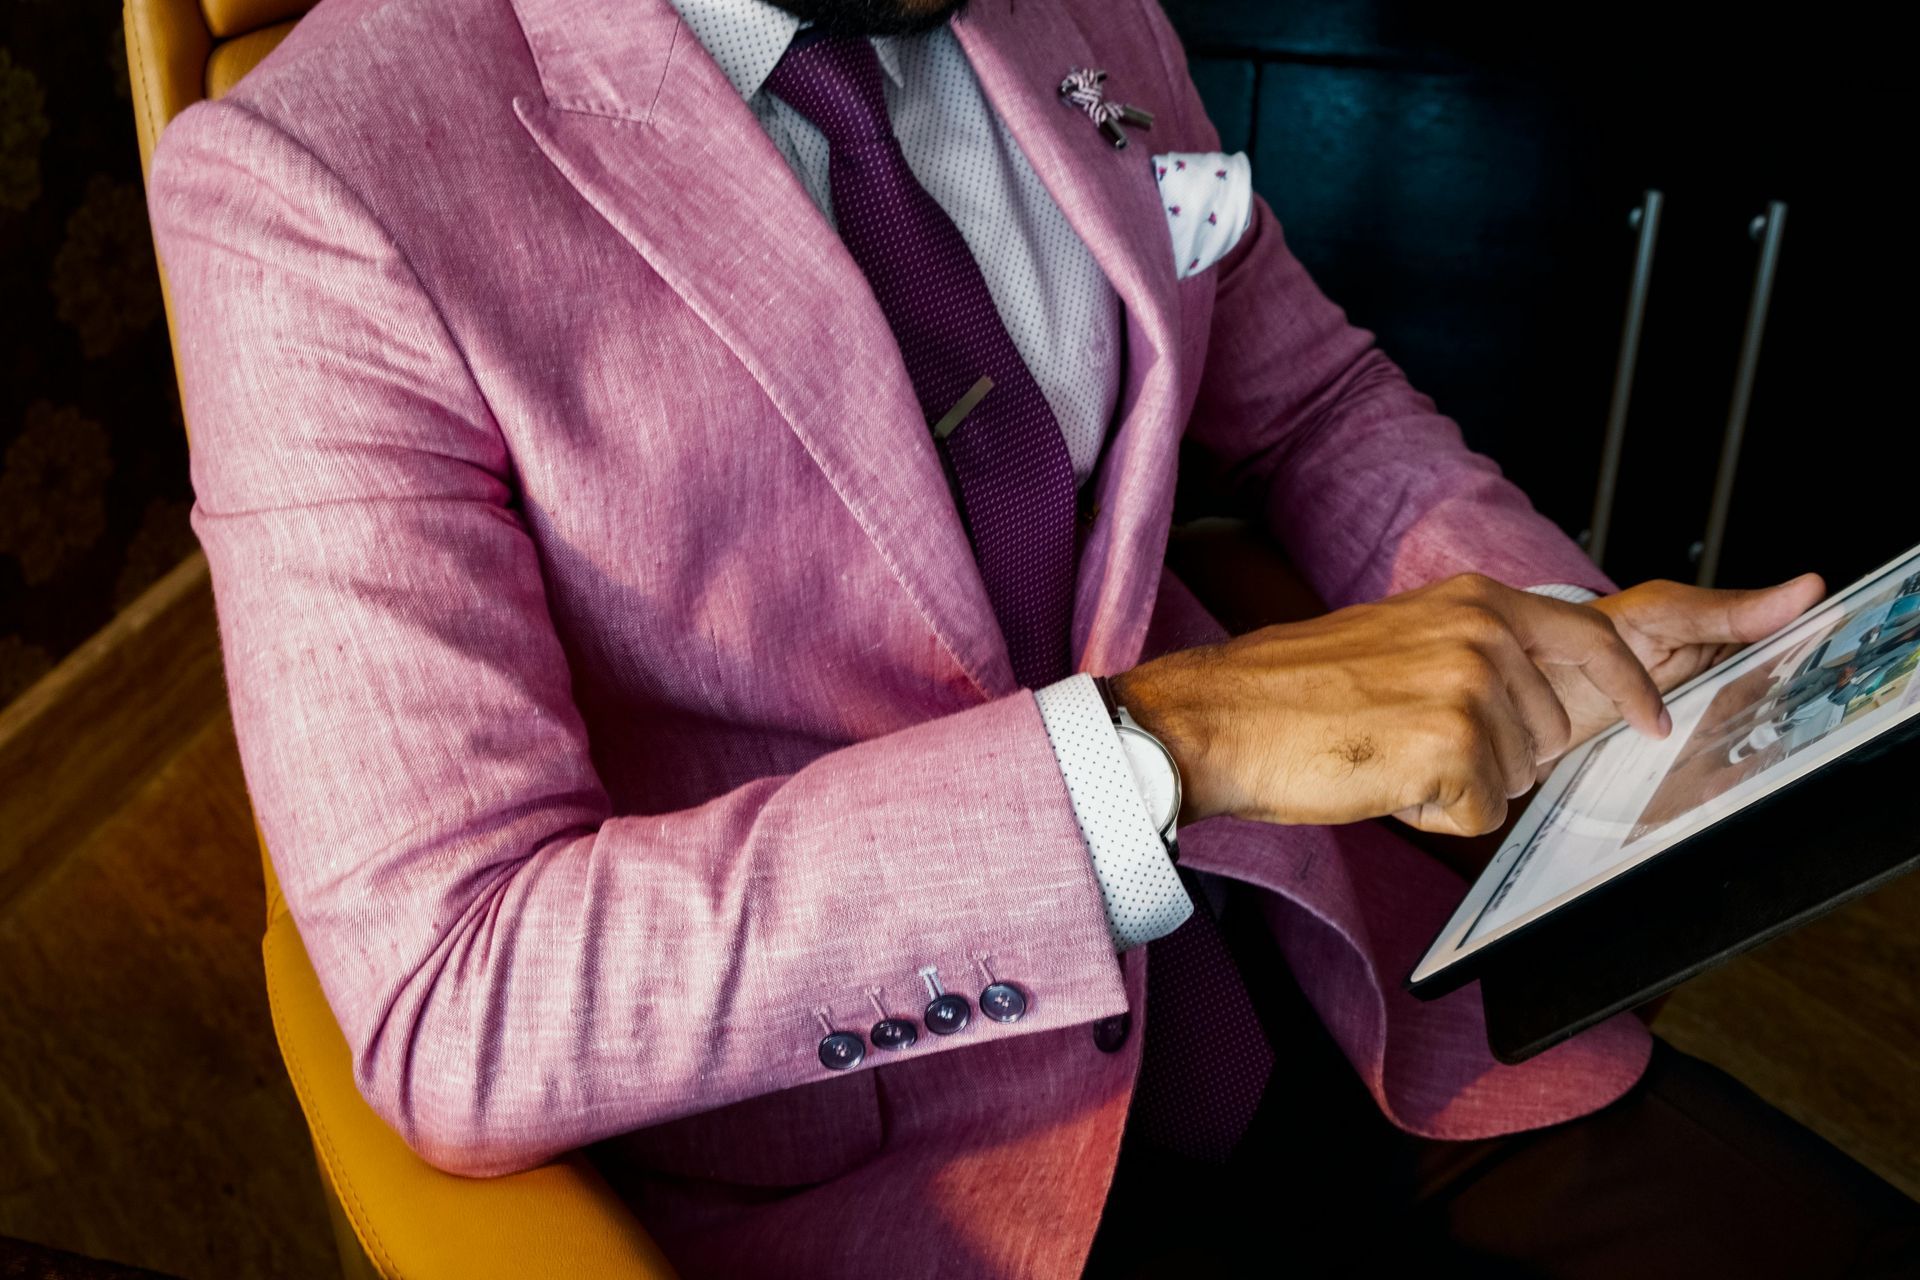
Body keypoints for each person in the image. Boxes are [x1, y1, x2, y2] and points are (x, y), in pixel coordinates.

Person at [146, 0, 1919, 1272]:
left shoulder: (1085, 16)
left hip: (1339, 1012)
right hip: (889, 1188)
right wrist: (1169, 744)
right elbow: (463, 991)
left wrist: (1561, 642)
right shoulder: (313, 184)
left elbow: (1309, 403)